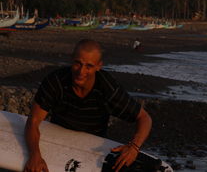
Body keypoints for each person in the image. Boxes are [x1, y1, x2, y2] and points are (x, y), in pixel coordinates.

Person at [24, 39, 152, 172]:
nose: (81, 71)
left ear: (98, 66)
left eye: (89, 66)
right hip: (58, 141)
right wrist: (34, 155)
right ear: (71, 59)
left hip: (93, 149)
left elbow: (144, 118)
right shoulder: (55, 82)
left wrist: (134, 147)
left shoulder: (107, 89)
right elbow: (33, 121)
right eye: (78, 63)